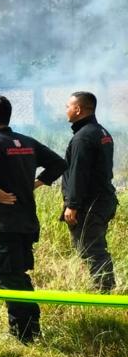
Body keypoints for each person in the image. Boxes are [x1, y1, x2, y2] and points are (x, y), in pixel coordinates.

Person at [0, 95, 66, 343]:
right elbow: (59, 163)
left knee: (8, 277)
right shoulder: (25, 141)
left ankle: (23, 334)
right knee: (18, 275)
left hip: (4, 223)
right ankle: (31, 328)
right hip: (25, 221)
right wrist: (33, 184)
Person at [62, 91, 118, 292]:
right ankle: (104, 288)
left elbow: (78, 174)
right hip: (104, 200)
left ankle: (104, 293)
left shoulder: (83, 137)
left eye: (68, 106)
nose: (65, 110)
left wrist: (72, 206)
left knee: (92, 250)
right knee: (94, 247)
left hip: (90, 205)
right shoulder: (101, 132)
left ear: (78, 109)